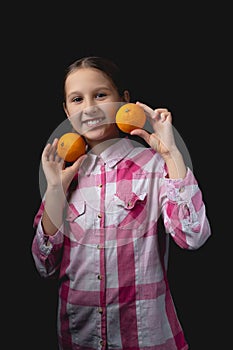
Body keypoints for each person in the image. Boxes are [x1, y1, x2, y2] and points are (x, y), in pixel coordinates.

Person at [32, 56, 211, 350]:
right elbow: (44, 264)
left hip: (146, 340)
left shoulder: (152, 166)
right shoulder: (62, 176)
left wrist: (171, 155)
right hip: (78, 339)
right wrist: (54, 191)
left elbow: (192, 236)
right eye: (77, 99)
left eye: (100, 95)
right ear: (67, 111)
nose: (89, 108)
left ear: (123, 100)